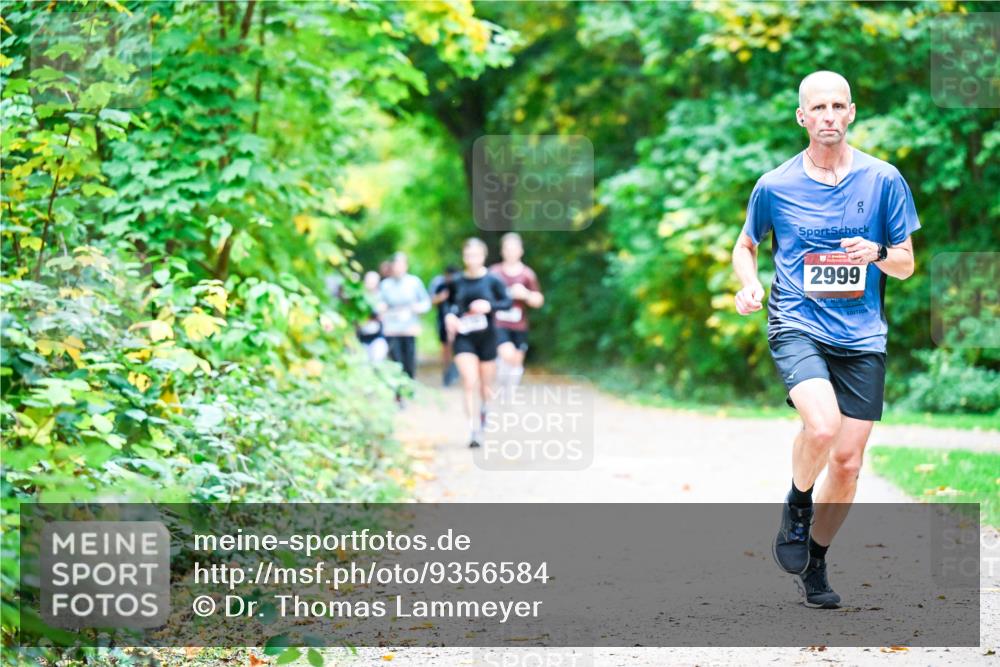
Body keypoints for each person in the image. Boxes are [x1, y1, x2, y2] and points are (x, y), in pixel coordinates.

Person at [731, 71, 919, 609]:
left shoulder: (884, 180)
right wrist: (748, 284)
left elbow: (905, 265)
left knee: (848, 463)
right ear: (803, 117)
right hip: (797, 321)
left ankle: (815, 561)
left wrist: (877, 254)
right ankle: (797, 502)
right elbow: (746, 246)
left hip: (862, 336)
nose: (830, 116)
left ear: (852, 112)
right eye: (820, 108)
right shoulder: (775, 184)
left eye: (839, 106)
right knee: (822, 426)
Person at [444, 238, 513, 448]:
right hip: (465, 337)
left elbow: (507, 302)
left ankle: (484, 411)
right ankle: (473, 430)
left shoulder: (493, 280)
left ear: (482, 256)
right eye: (468, 255)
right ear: (464, 257)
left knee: (485, 385)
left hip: (487, 337)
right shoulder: (456, 281)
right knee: (469, 381)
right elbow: (449, 304)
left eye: (475, 255)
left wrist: (488, 305)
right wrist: (449, 317)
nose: (471, 259)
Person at [490, 233, 544, 391]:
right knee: (507, 354)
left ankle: (508, 394)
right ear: (502, 251)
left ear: (521, 251)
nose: (511, 252)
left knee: (516, 361)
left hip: (519, 325)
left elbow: (539, 300)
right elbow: (485, 295)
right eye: (507, 249)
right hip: (499, 323)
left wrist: (525, 294)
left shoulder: (527, 274)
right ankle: (501, 382)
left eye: (514, 249)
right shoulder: (494, 273)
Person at [379, 252, 431, 381]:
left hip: (409, 328)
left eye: (401, 264)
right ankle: (398, 392)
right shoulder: (385, 285)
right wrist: (382, 307)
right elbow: (378, 303)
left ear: (406, 266)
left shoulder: (414, 282)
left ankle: (410, 386)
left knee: (409, 360)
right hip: (392, 329)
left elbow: (426, 302)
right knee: (395, 361)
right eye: (396, 264)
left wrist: (416, 308)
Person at [428, 264, 461, 387]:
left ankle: (455, 370)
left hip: (459, 321)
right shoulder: (440, 285)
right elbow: (431, 301)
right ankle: (447, 372)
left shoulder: (460, 285)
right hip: (442, 321)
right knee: (446, 348)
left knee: (458, 348)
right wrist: (441, 297)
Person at [356, 271, 388, 364]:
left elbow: (380, 314)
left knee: (377, 362)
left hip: (377, 338)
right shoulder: (358, 298)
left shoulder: (381, 298)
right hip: (361, 338)